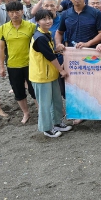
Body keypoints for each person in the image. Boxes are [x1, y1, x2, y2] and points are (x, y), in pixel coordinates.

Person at [29, 8, 71, 138]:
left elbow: (51, 52)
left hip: (51, 74)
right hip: (41, 76)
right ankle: (46, 128)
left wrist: (59, 50)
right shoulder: (39, 37)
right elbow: (50, 57)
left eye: (49, 18)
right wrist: (61, 70)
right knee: (45, 104)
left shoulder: (47, 34)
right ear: (37, 21)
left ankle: (57, 122)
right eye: (44, 19)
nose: (48, 21)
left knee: (56, 100)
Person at [0, 0, 37, 124]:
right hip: (13, 65)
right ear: (8, 13)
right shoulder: (3, 28)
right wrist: (1, 66)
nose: (15, 15)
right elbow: (0, 49)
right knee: (18, 90)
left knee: (34, 89)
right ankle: (26, 113)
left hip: (30, 64)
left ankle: (41, 110)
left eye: (17, 11)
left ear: (22, 12)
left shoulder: (31, 26)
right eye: (12, 12)